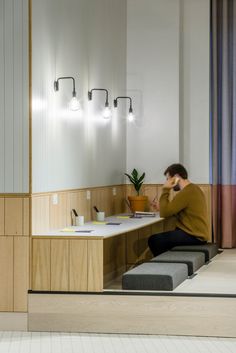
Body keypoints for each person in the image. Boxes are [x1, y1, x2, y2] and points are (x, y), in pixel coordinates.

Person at [148, 163, 209, 257]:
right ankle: (169, 261)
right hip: (197, 234)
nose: (167, 182)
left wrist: (166, 189)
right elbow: (175, 211)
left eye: (168, 179)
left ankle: (165, 265)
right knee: (162, 239)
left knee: (154, 240)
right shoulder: (193, 188)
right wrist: (161, 207)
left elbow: (164, 213)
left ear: (176, 177)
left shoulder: (186, 192)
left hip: (194, 236)